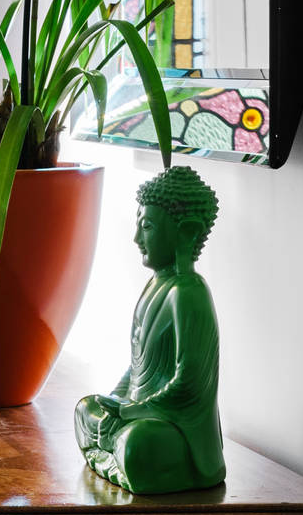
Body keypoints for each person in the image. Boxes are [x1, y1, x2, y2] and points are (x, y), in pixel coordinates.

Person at [74, 167, 224, 493]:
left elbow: (189, 383)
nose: (136, 238)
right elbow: (138, 364)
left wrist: (131, 412)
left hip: (174, 426)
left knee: (138, 444)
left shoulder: (189, 292)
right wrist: (115, 402)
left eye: (147, 226)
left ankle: (121, 461)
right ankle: (120, 461)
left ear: (186, 233)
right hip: (139, 411)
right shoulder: (157, 284)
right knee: (86, 410)